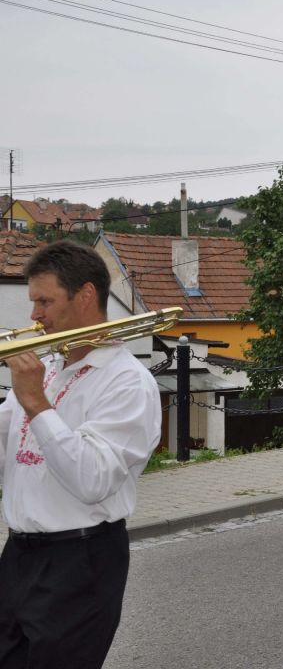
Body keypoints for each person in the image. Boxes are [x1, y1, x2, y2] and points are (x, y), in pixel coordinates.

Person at [0, 241, 161, 668]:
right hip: (19, 557)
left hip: (80, 561)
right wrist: (30, 398)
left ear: (86, 295)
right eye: (34, 301)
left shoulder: (128, 382)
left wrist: (36, 403)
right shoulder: (46, 369)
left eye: (44, 302)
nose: (34, 315)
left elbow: (92, 480)